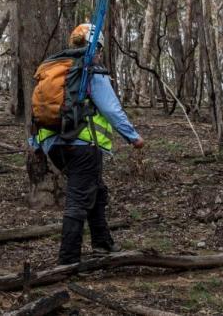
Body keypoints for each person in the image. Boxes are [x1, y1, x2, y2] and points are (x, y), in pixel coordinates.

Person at [32, 24, 144, 265]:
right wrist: (133, 137)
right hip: (83, 144)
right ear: (96, 48)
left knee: (96, 190)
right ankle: (68, 260)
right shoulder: (89, 70)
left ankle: (102, 242)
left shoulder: (55, 68)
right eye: (100, 50)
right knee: (78, 198)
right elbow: (111, 109)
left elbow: (39, 110)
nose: (100, 54)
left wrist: (36, 143)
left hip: (54, 145)